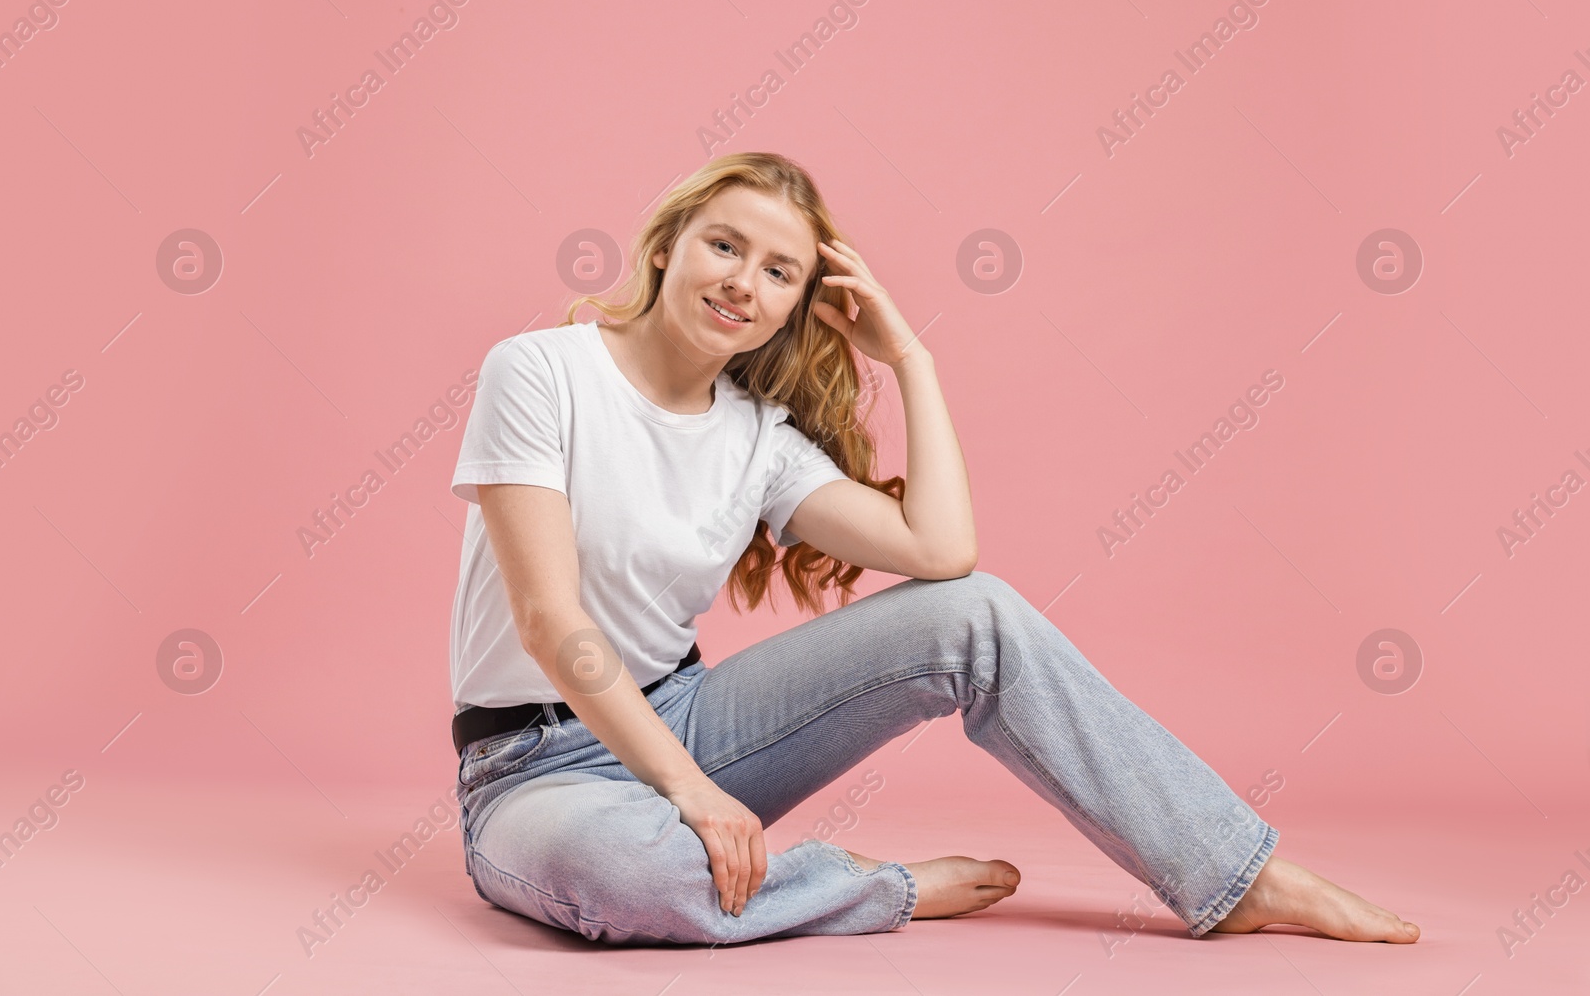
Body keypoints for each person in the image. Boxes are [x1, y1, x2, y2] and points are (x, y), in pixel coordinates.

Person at [446, 151, 1421, 946]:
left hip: (690, 720)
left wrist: (911, 355)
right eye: (725, 245)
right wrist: (692, 793)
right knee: (626, 874)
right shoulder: (542, 370)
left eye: (778, 271)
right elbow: (549, 616)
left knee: (977, 612)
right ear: (667, 248)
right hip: (537, 766)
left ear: (796, 304)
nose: (743, 281)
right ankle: (869, 885)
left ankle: (1231, 871)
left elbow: (941, 551)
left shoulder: (756, 440)